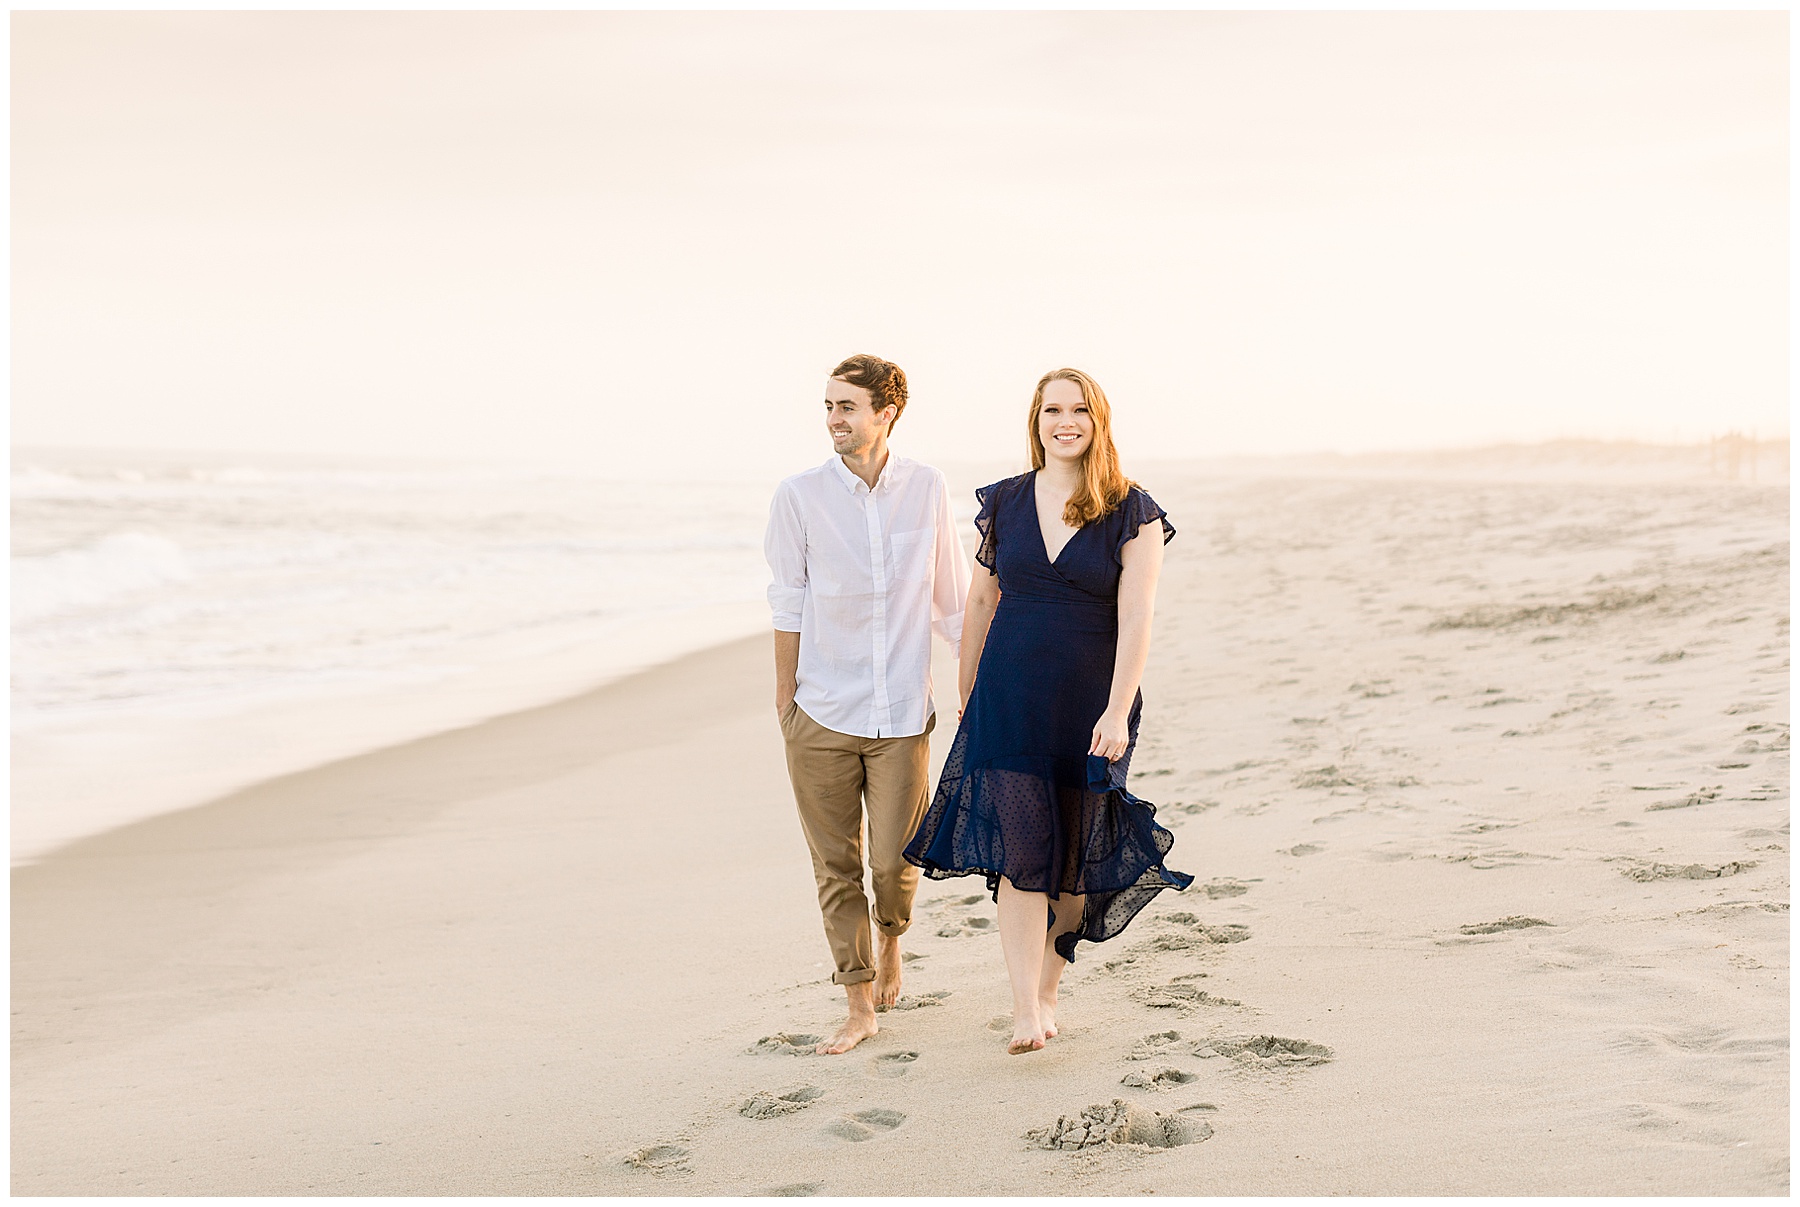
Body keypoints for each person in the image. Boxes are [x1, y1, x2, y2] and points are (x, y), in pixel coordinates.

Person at [904, 367, 1193, 1054]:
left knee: (1074, 855)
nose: (1065, 421)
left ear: (1099, 421)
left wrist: (1118, 710)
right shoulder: (1003, 501)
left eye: (1079, 410)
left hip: (1092, 702)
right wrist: (968, 687)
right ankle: (1022, 1009)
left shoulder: (1132, 510)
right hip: (1009, 696)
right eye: (1052, 409)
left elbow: (1139, 615)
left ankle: (1050, 986)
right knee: (1023, 853)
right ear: (1035, 421)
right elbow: (979, 601)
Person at [764, 354, 970, 1055]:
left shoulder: (927, 488)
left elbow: (950, 602)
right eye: (827, 406)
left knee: (894, 861)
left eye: (846, 407)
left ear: (886, 412)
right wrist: (786, 704)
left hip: (902, 711)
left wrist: (977, 689)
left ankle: (891, 940)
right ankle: (857, 1004)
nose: (833, 420)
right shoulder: (799, 496)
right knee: (836, 865)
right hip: (819, 711)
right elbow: (786, 600)